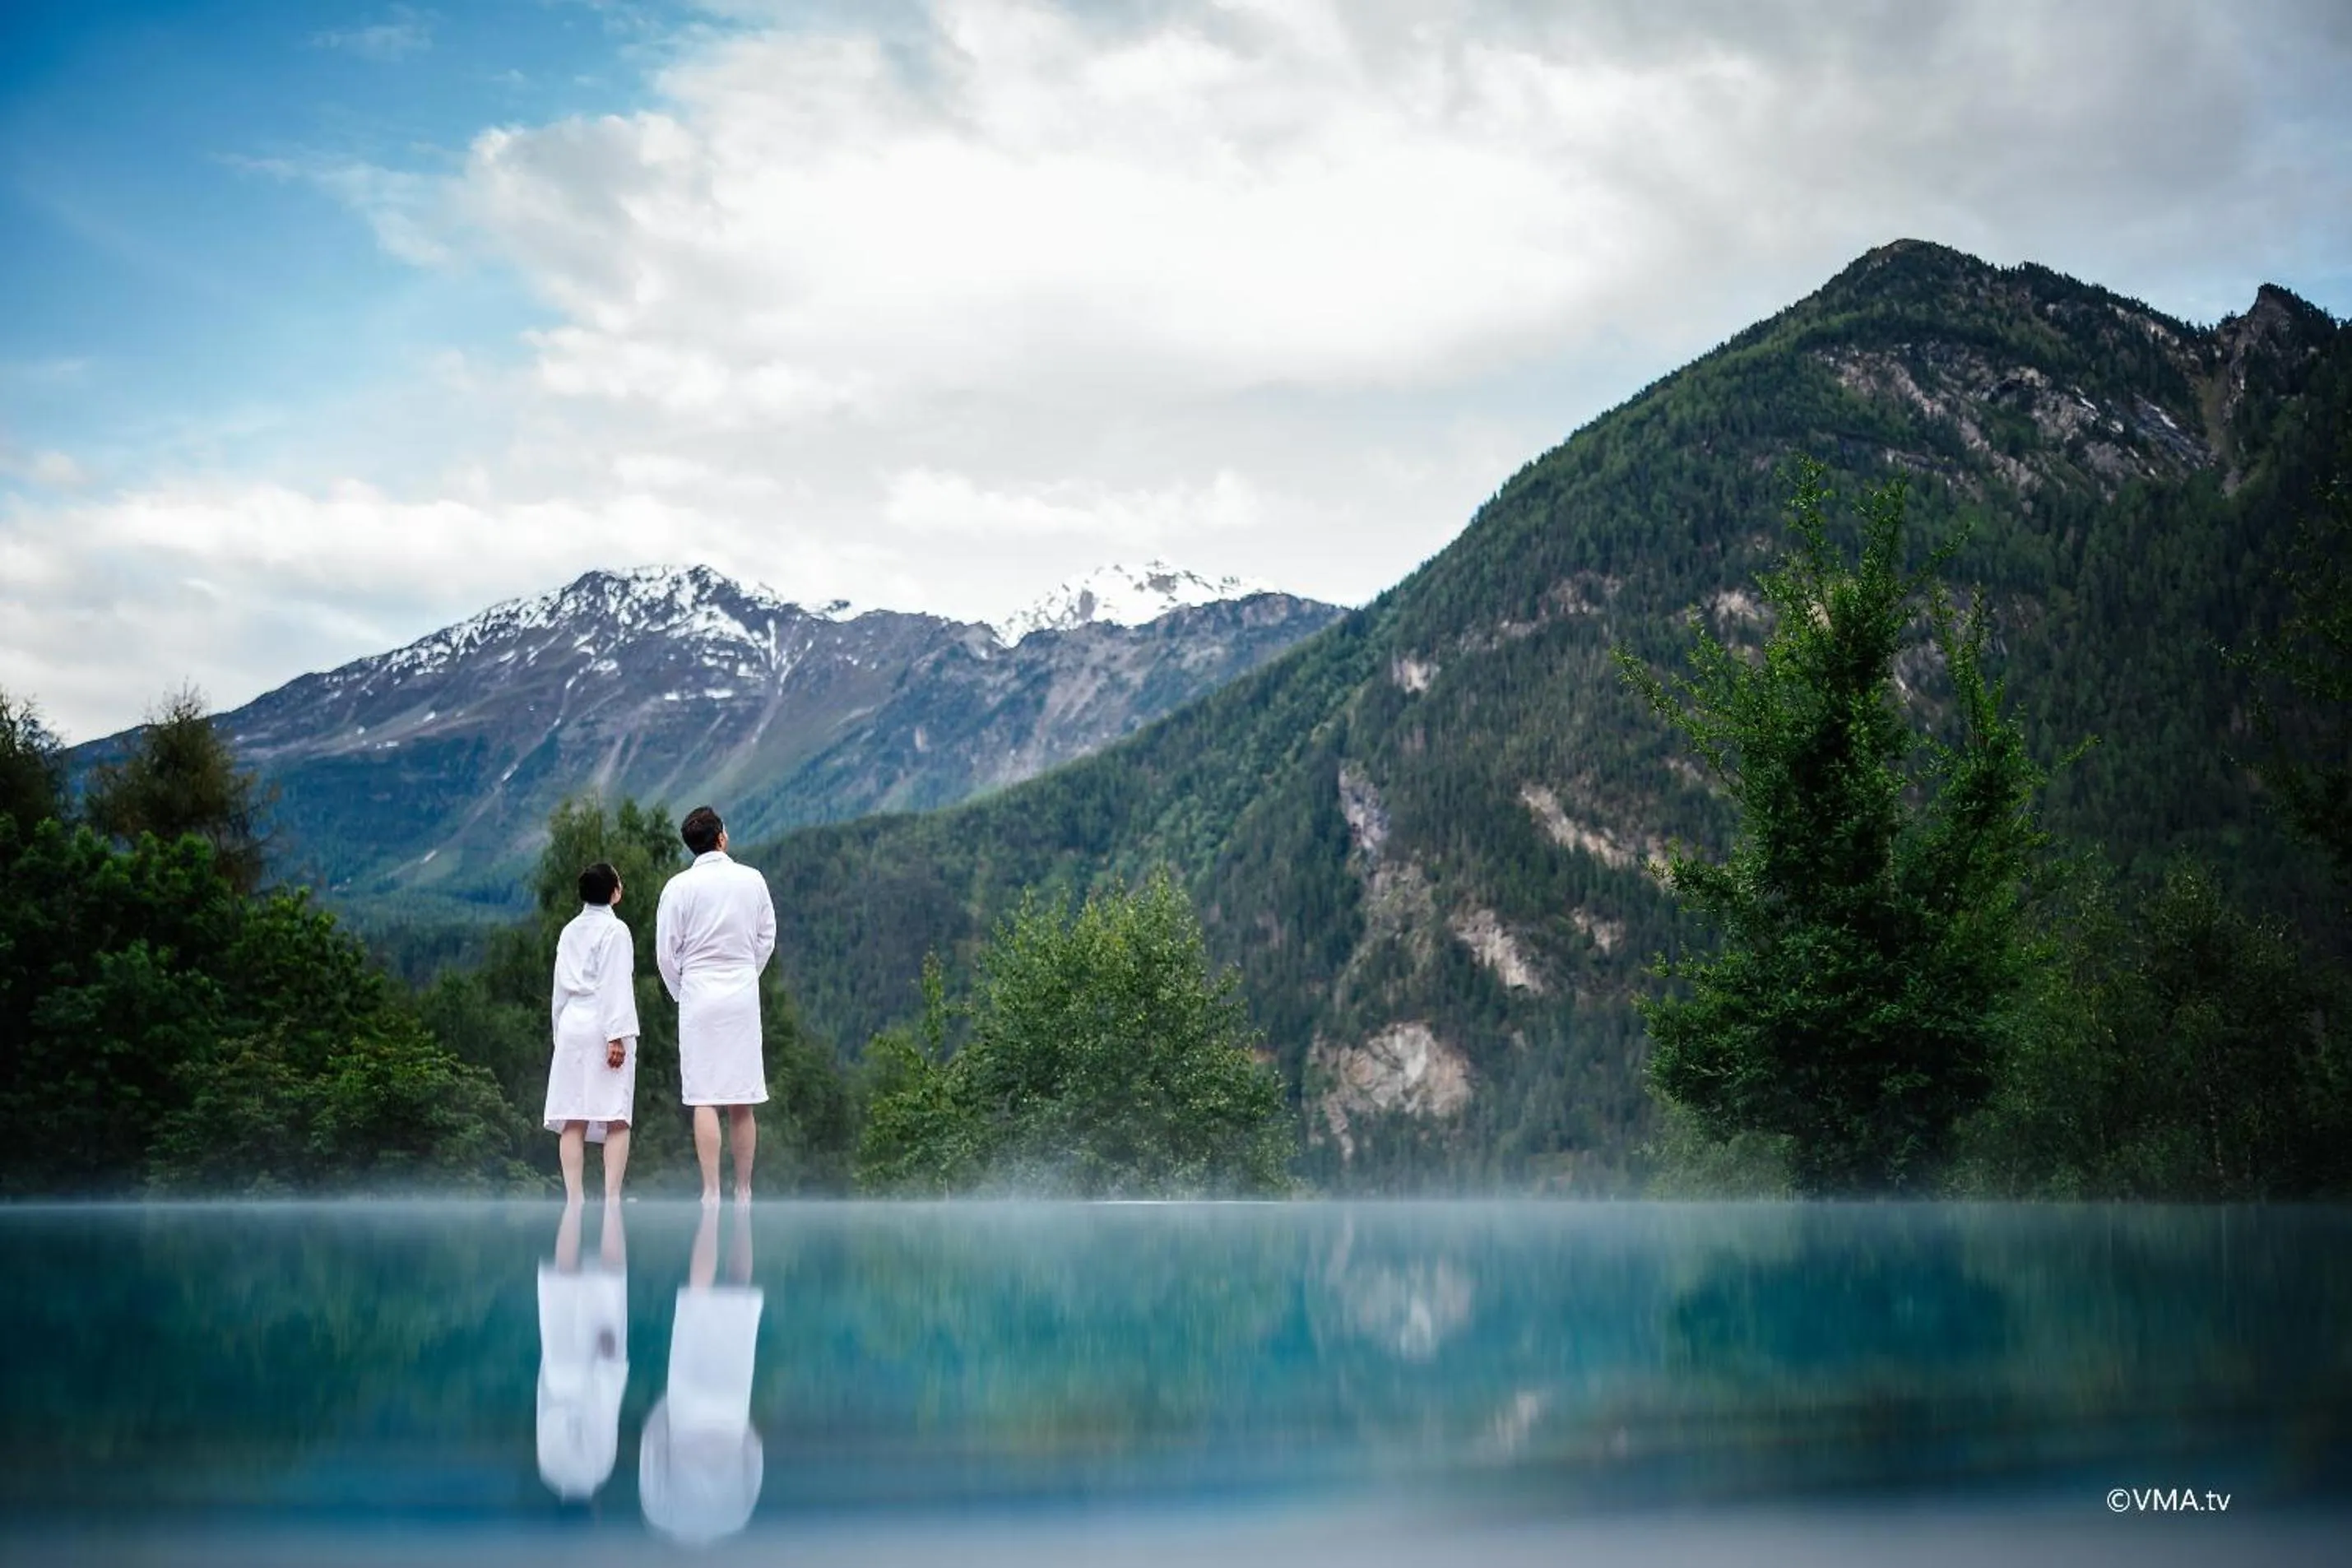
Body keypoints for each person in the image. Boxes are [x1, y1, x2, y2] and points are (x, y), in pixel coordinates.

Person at [655, 805, 777, 1204]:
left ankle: (711, 1191)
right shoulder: (752, 880)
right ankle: (744, 1189)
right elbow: (766, 938)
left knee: (704, 1095)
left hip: (699, 995)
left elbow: (666, 954)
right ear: (721, 837)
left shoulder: (677, 887)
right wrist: (746, 974)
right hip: (741, 993)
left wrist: (684, 988)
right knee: (742, 1096)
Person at [638, 1202, 764, 1545]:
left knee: (736, 1292)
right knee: (699, 1297)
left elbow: (753, 1453)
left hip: (729, 1412)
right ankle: (737, 1216)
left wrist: (741, 1420)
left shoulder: (735, 1519)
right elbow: (651, 1446)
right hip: (689, 1410)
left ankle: (737, 1221)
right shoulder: (662, 1516)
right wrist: (669, 1403)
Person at [545, 861, 638, 1204]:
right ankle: (612, 1197)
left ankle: (575, 1197)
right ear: (614, 892)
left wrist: (559, 1034)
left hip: (572, 1023)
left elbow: (559, 990)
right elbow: (615, 983)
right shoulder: (616, 931)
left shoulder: (569, 930)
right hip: (602, 1023)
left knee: (573, 1113)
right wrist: (617, 1034)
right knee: (615, 1113)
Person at [536, 1199, 629, 1505]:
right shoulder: (549, 1471)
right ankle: (589, 1208)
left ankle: (583, 1206)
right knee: (565, 1281)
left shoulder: (598, 1470)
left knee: (609, 1280)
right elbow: (545, 1412)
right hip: (558, 1373)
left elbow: (604, 1412)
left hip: (584, 1374)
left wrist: (609, 1365)